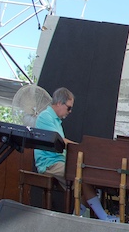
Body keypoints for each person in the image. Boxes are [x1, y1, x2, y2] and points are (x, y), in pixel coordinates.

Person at [34, 88, 116, 222]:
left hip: (59, 161)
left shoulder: (55, 120)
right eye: (69, 108)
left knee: (87, 180)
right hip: (49, 164)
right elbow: (60, 140)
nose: (70, 112)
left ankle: (75, 218)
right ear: (59, 103)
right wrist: (82, 149)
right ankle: (103, 217)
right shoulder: (45, 116)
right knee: (82, 177)